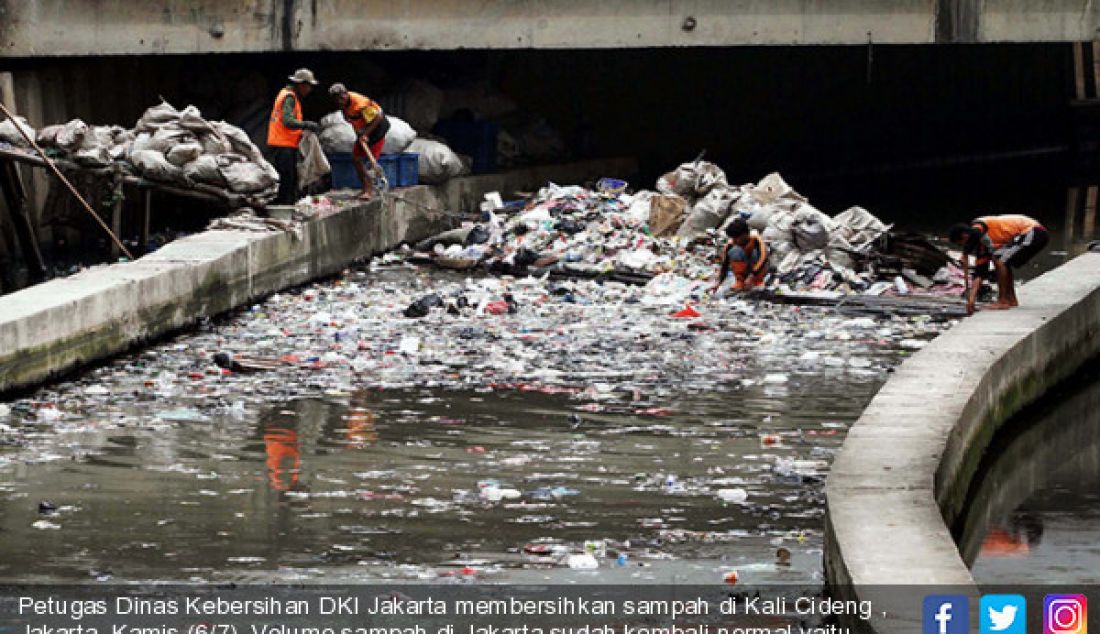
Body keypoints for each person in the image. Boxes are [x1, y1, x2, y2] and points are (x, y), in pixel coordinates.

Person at [949, 214, 1049, 314]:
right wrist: (971, 300)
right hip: (1028, 235)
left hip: (1034, 231)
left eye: (960, 244)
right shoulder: (983, 247)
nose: (963, 246)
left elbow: (976, 233)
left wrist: (965, 253)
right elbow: (980, 274)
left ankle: (1003, 300)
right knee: (1000, 260)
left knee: (999, 260)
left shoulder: (978, 225)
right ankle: (1011, 299)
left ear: (964, 236)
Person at [266, 68, 320, 204]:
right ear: (301, 85)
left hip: (284, 144)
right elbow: (288, 121)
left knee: (289, 178)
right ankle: (284, 209)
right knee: (287, 179)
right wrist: (306, 124)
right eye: (309, 86)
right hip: (283, 145)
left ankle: (286, 206)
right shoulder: (289, 97)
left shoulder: (286, 94)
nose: (309, 90)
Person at [329, 83, 391, 200]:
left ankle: (370, 190)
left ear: (346, 94)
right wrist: (360, 133)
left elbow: (378, 117)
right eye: (337, 99)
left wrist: (366, 134)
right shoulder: (343, 106)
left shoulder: (360, 103)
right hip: (364, 129)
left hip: (377, 128)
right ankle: (365, 188)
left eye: (342, 97)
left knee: (371, 162)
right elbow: (353, 119)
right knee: (356, 158)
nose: (340, 100)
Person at [712, 218, 769, 295]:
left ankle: (757, 281)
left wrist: (752, 275)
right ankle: (740, 282)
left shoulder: (756, 240)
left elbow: (763, 258)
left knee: (755, 252)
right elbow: (724, 266)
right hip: (746, 270)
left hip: (759, 270)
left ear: (745, 234)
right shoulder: (731, 245)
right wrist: (718, 284)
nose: (735, 240)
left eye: (737, 238)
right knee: (734, 251)